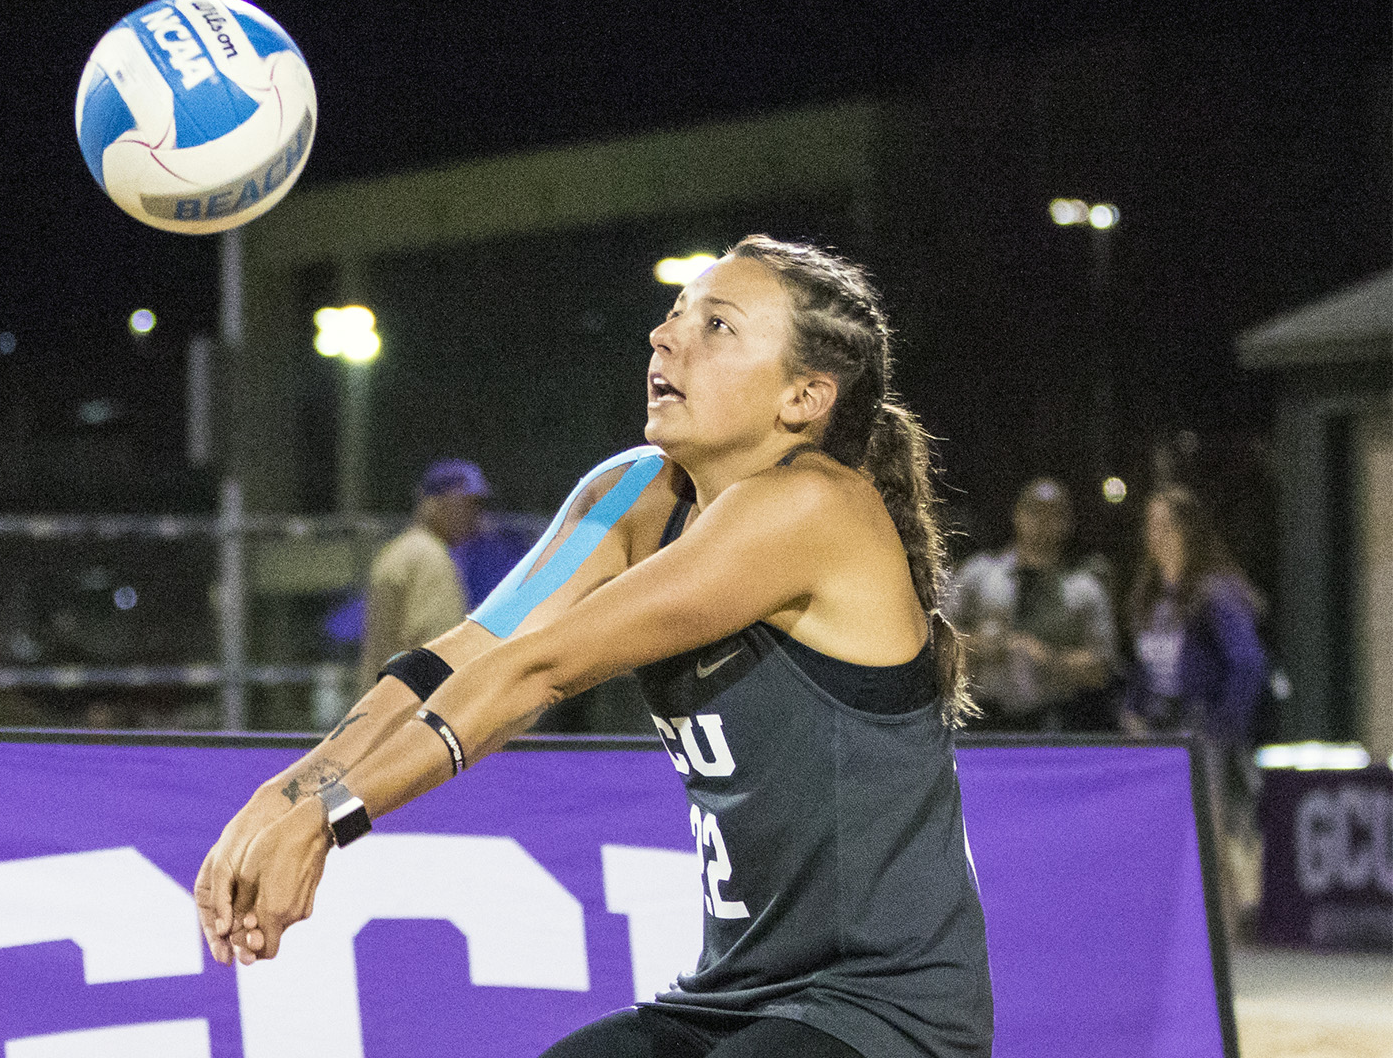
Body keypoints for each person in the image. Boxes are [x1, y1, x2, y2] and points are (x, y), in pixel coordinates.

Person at [195, 236, 993, 1058]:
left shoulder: (816, 508)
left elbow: (537, 667)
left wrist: (330, 821)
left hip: (882, 1012)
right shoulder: (633, 494)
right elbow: (464, 655)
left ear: (804, 397)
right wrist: (285, 794)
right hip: (734, 999)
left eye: (717, 326)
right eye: (676, 315)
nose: (666, 337)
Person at [1121, 487, 1267, 843]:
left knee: (1211, 842)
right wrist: (1132, 709)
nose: (1154, 536)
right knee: (1165, 839)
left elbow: (1248, 664)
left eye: (1165, 526)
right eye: (1150, 526)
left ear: (1188, 531)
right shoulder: (1152, 596)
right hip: (1158, 732)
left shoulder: (1216, 592)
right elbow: (1146, 662)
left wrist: (1222, 728)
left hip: (1202, 734)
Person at [945, 478, 1116, 731]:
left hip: (1053, 720)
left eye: (1053, 514)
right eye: (1034, 511)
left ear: (1067, 523)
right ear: (1017, 514)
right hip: (983, 716)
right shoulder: (980, 575)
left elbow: (1102, 667)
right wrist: (985, 644)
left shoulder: (1083, 589)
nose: (1042, 523)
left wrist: (1048, 659)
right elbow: (939, 640)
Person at [355, 458, 490, 685]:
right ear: (434, 503)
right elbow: (435, 648)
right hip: (412, 705)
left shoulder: (400, 549)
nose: (475, 515)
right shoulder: (429, 557)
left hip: (384, 698)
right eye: (467, 504)